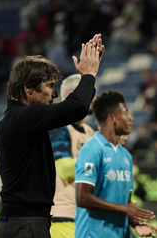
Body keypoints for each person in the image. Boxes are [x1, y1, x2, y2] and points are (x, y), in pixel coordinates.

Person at [0, 34, 104, 238]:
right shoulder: (24, 117)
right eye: (50, 86)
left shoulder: (17, 120)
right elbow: (78, 107)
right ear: (28, 89)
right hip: (25, 226)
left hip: (21, 224)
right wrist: (89, 74)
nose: (55, 94)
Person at [75, 90, 157, 238]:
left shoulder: (126, 156)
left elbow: (126, 206)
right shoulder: (91, 149)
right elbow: (82, 197)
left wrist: (137, 224)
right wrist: (124, 209)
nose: (131, 118)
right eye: (126, 113)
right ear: (112, 118)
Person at [49, 74, 95, 238]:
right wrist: (97, 164)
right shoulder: (60, 127)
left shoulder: (90, 132)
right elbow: (66, 169)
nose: (93, 98)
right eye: (89, 93)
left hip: (85, 216)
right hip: (63, 215)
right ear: (71, 96)